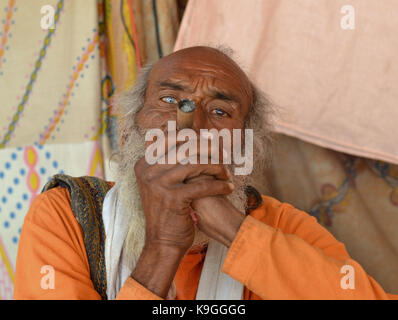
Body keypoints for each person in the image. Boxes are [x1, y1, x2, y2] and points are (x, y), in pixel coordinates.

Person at [14, 46, 397, 300]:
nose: (190, 127)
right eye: (169, 101)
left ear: (244, 149)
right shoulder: (66, 216)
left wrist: (233, 229)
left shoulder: (280, 227)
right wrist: (162, 248)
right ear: (129, 129)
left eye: (220, 112)